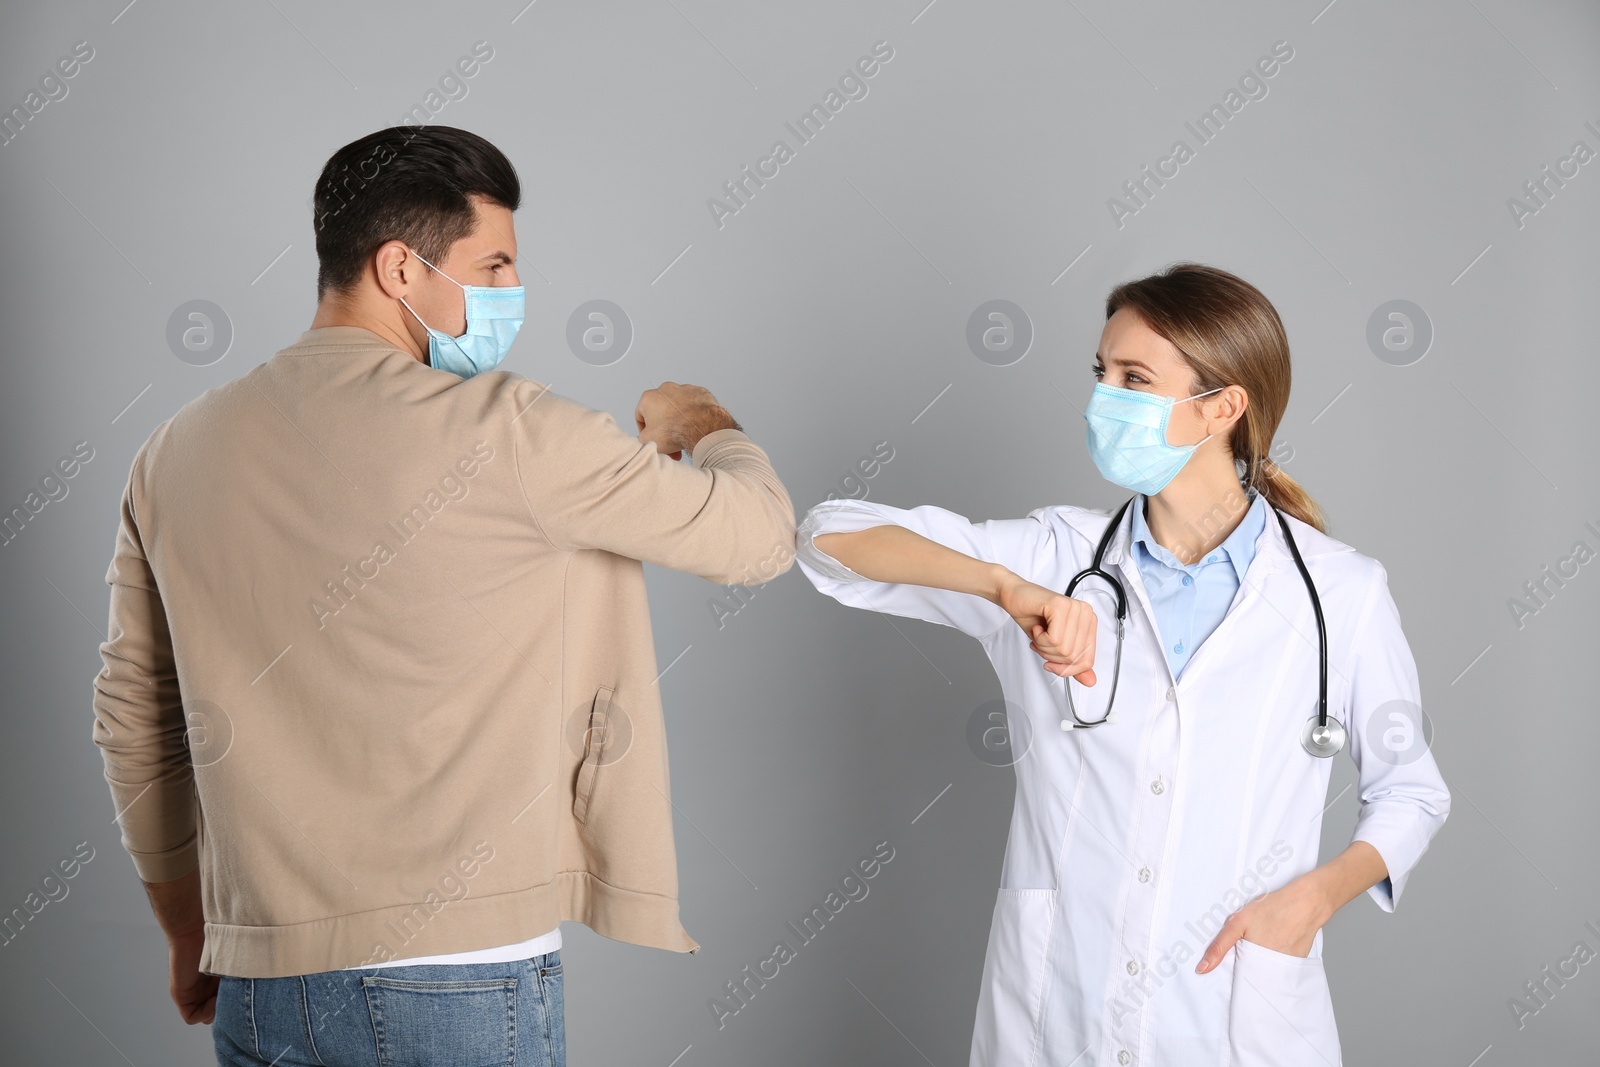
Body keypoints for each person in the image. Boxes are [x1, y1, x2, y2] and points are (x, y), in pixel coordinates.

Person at [91, 125, 794, 1067]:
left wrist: (191, 929)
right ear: (399, 269)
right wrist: (703, 423)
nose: (512, 294)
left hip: (260, 980)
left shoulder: (175, 452)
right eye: (494, 265)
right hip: (459, 979)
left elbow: (134, 717)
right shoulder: (515, 431)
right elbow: (759, 537)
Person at [793, 263, 1449, 1066]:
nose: (1104, 397)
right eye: (1101, 372)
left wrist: (1314, 897)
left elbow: (1411, 792)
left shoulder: (1338, 591)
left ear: (1222, 406)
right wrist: (1003, 587)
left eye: (1134, 378)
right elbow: (827, 538)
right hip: (1059, 1010)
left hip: (1234, 1015)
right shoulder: (1053, 557)